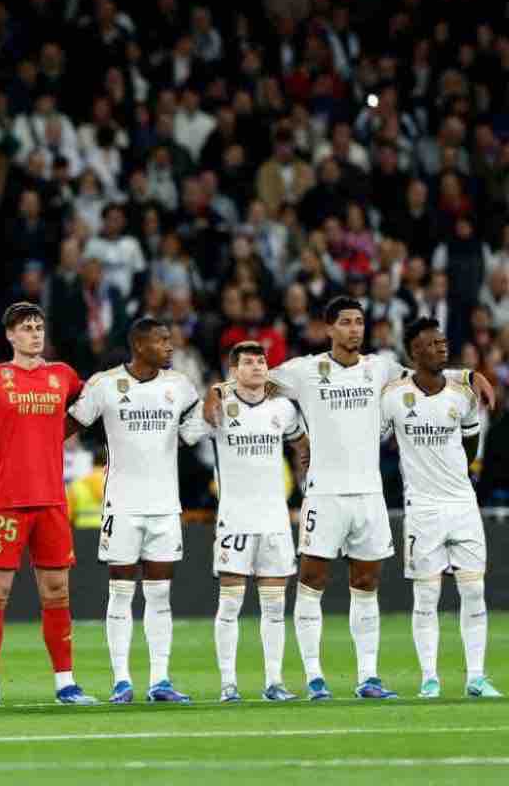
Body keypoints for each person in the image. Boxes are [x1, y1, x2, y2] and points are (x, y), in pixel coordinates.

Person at [203, 296, 492, 700]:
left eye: (359, 321)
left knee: (366, 583)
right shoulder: (306, 370)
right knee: (312, 582)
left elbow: (425, 372)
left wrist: (469, 374)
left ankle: (368, 677)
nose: (355, 328)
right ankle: (315, 677)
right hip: (324, 494)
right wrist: (219, 389)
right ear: (329, 329)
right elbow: (256, 379)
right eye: (346, 322)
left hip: (369, 494)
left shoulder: (381, 368)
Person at [0, 301, 97, 707]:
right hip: (6, 501)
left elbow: (96, 404)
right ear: (10, 335)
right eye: (27, 328)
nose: (35, 333)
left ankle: (66, 682)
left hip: (51, 500)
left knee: (57, 591)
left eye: (39, 326)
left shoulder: (62, 376)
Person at [68, 318, 201, 704]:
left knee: (160, 594)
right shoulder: (105, 384)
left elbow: (195, 423)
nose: (169, 346)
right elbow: (71, 424)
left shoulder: (179, 386)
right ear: (139, 345)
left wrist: (202, 420)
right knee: (121, 591)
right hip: (122, 506)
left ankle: (159, 680)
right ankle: (122, 680)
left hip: (163, 506)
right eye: (162, 341)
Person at [182, 341, 309, 702]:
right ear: (233, 369)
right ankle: (228, 684)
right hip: (234, 520)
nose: (256, 366)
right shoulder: (221, 405)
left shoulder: (283, 408)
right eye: (248, 362)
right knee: (230, 603)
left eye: (261, 361)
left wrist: (307, 483)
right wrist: (207, 403)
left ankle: (274, 682)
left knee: (273, 605)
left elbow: (302, 445)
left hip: (274, 519)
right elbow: (185, 437)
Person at [381, 318, 500, 699]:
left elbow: (470, 444)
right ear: (415, 352)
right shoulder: (394, 397)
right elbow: (375, 439)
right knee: (427, 596)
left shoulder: (462, 394)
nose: (441, 348)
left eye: (443, 342)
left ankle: (476, 678)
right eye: (432, 344)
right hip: (422, 509)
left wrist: (454, 476)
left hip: (463, 505)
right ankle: (429, 678)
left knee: (474, 591)